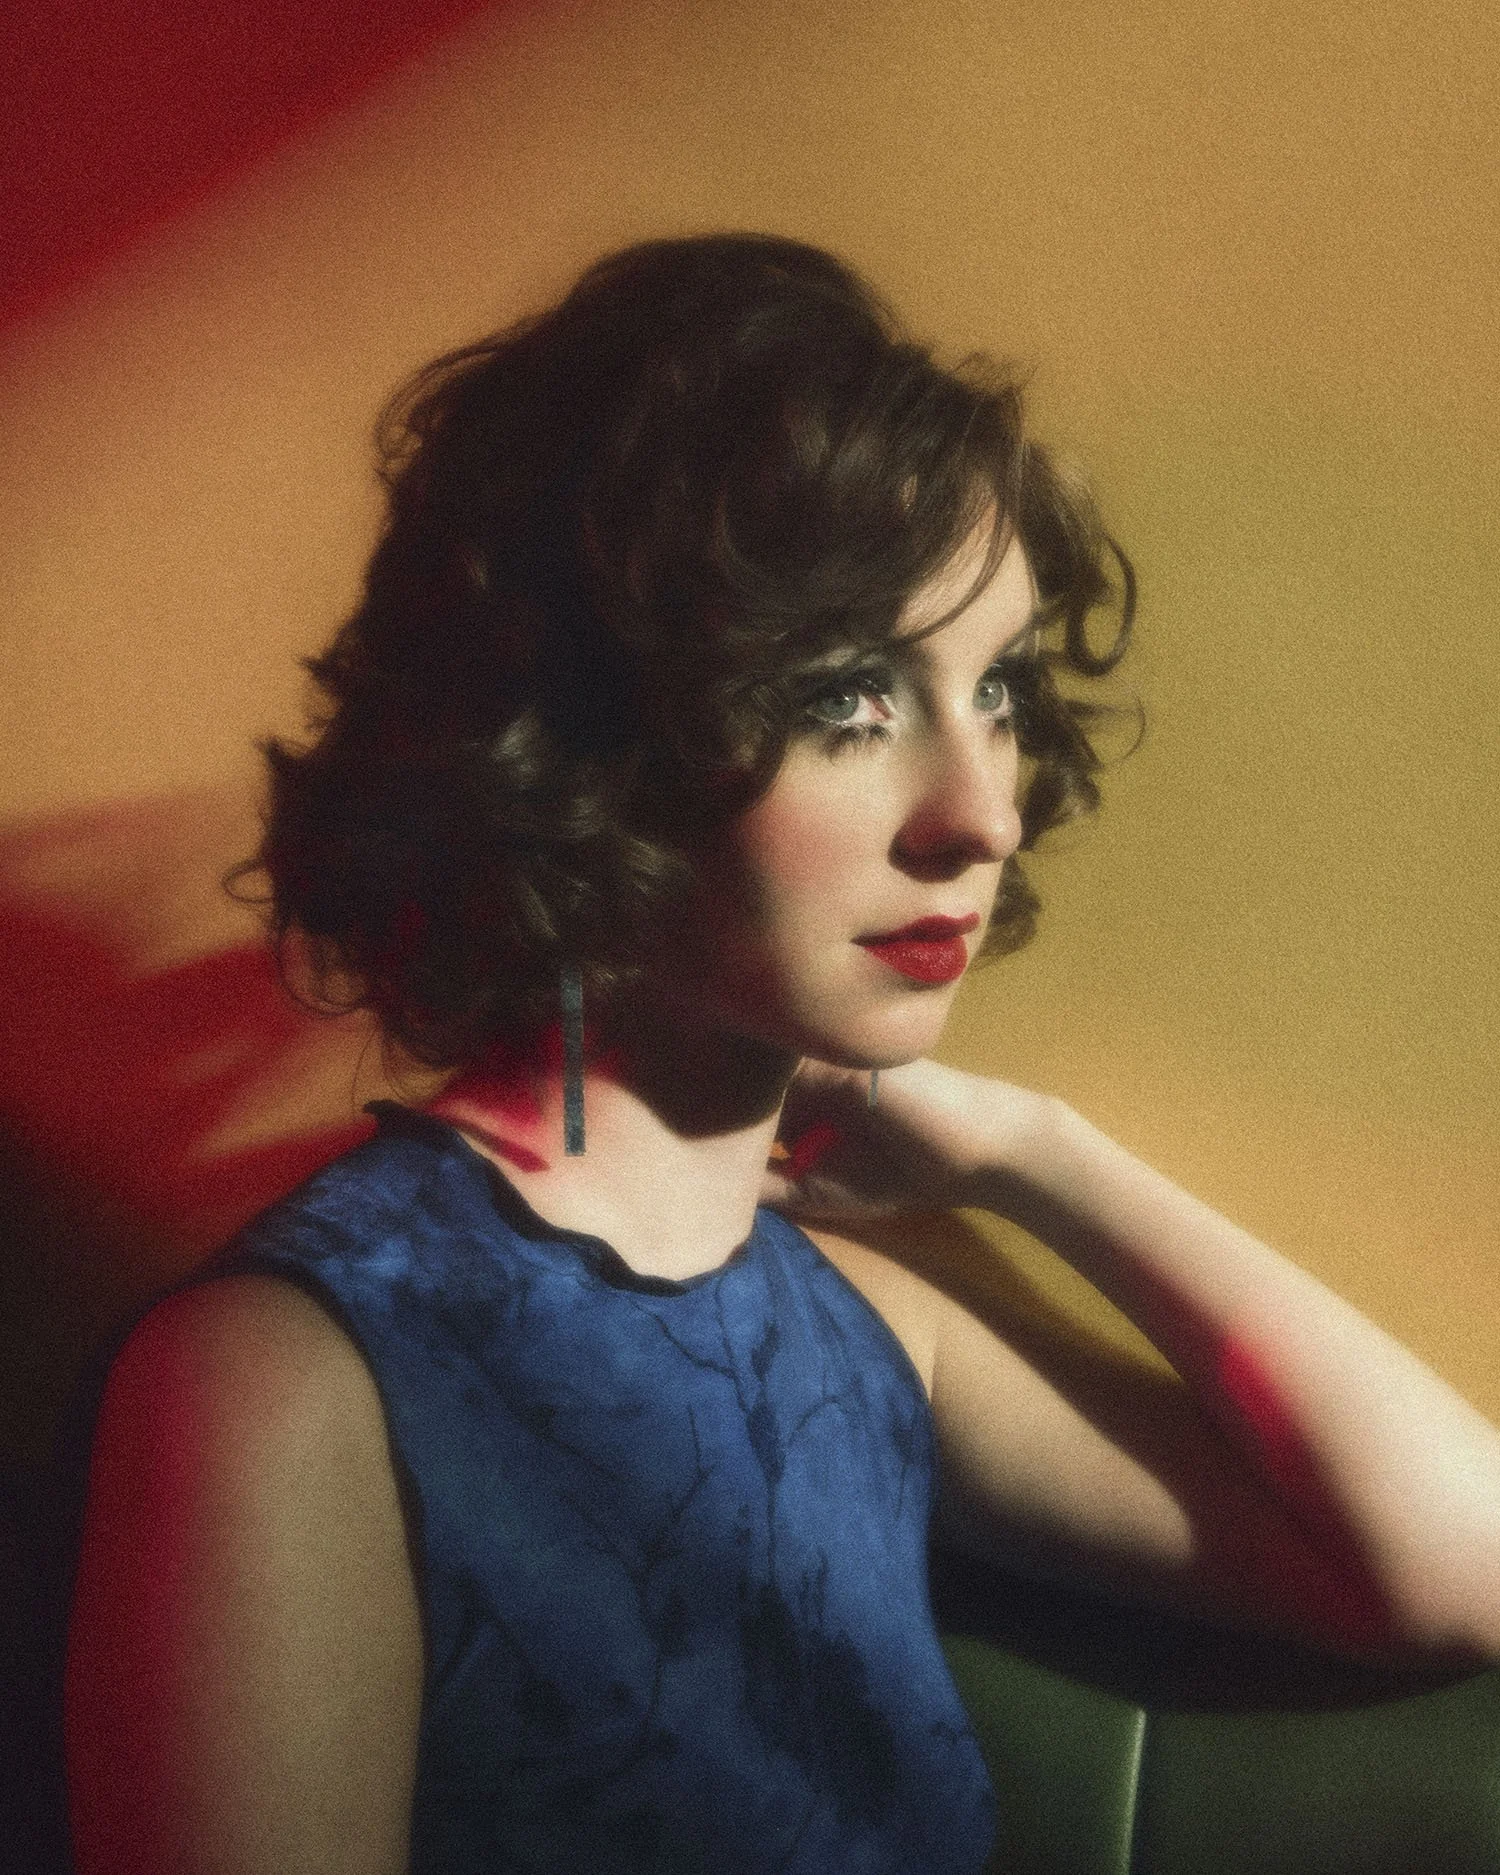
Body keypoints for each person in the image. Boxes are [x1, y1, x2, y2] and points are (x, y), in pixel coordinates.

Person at [64, 234, 1500, 1875]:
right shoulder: (282, 1381)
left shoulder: (855, 1327)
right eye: (851, 699)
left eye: (999, 689)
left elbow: (1466, 1563)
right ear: (590, 738)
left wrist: (1034, 1154)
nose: (983, 812)